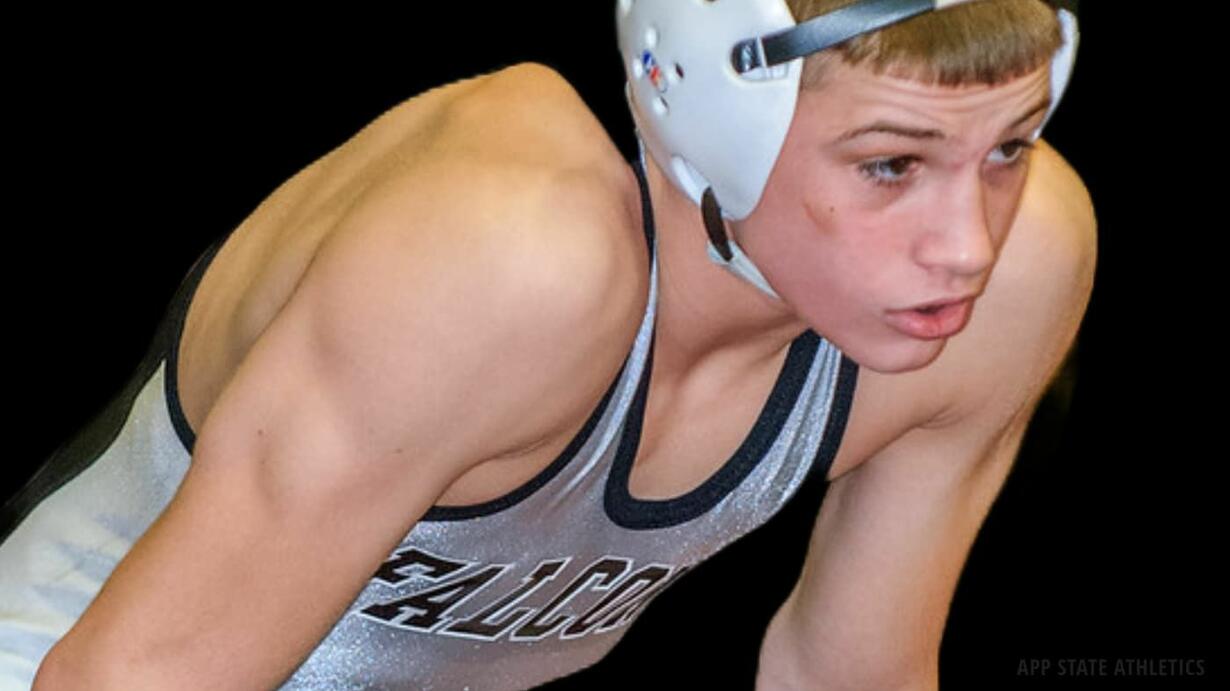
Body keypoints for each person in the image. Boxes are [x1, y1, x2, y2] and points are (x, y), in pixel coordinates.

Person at [0, 0, 1095, 688]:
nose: (967, 245)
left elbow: (852, 671)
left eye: (1010, 147)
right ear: (714, 116)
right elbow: (126, 675)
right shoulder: (506, 256)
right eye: (892, 165)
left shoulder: (1018, 274)